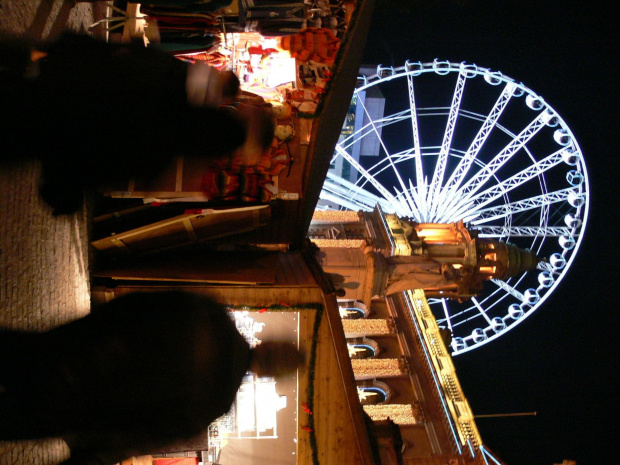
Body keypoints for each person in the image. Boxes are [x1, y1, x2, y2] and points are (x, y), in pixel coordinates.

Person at [0, 291, 303, 464]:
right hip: (75, 409)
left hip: (74, 349)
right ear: (268, 374)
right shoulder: (215, 402)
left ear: (268, 343)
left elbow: (137, 305)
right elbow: (135, 436)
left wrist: (86, 329)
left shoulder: (212, 317)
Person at [0, 32, 274, 214]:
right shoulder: (155, 154)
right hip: (24, 132)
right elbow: (80, 169)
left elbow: (109, 56)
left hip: (39, 85)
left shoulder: (167, 76)